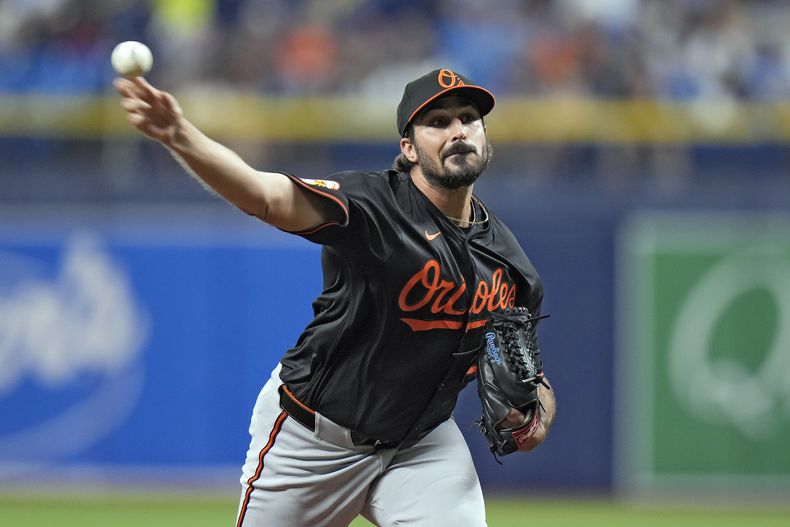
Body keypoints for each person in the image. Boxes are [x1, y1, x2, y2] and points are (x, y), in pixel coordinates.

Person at [115, 67, 556, 527]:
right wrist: (180, 136)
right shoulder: (373, 205)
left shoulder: (509, 262)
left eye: (468, 118)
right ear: (409, 149)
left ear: (485, 136)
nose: (458, 131)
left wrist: (538, 413)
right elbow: (265, 196)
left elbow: (533, 375)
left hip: (420, 446)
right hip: (314, 440)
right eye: (438, 122)